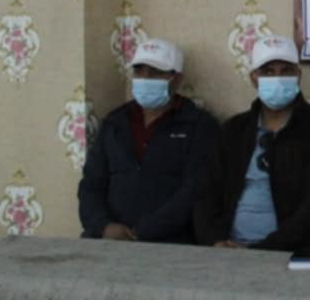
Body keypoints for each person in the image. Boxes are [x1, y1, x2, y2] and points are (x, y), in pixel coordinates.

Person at [194, 34, 310, 250]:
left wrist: (261, 251)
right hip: (226, 251)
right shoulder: (233, 130)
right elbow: (206, 194)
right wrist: (215, 241)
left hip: (287, 254)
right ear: (253, 78)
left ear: (298, 75)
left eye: (286, 71)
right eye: (268, 72)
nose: (277, 78)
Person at [78, 38, 218, 243]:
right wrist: (103, 226)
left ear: (176, 79)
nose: (145, 78)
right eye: (139, 71)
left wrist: (141, 232)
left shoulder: (199, 126)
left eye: (155, 72)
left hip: (169, 243)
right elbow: (91, 184)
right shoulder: (114, 122)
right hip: (108, 240)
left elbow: (194, 191)